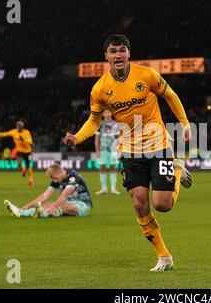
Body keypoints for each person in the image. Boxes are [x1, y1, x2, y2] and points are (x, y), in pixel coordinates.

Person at [63, 34, 192, 271]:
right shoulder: (100, 88)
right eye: (113, 51)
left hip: (158, 146)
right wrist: (78, 137)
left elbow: (170, 96)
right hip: (130, 152)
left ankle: (176, 166)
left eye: (122, 50)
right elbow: (94, 121)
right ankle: (164, 256)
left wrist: (184, 123)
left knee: (163, 205)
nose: (118, 55)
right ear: (106, 57)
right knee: (140, 204)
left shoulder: (147, 75)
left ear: (129, 53)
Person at [4, 163, 93, 218]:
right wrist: (27, 206)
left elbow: (64, 195)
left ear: (60, 172)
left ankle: (43, 213)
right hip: (69, 203)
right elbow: (44, 196)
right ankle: (21, 212)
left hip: (83, 206)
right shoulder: (58, 179)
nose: (55, 180)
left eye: (55, 178)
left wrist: (53, 207)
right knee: (45, 205)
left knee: (59, 207)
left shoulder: (73, 177)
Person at [0, 121, 34, 185]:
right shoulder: (13, 132)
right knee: (19, 163)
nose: (19, 128)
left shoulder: (26, 132)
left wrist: (23, 140)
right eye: (18, 127)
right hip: (19, 151)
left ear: (22, 127)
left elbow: (30, 141)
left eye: (20, 127)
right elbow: (5, 134)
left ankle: (30, 179)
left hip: (27, 151)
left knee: (28, 166)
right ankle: (23, 170)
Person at [95, 109, 121, 195]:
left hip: (113, 149)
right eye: (105, 112)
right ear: (103, 114)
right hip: (103, 149)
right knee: (102, 167)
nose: (107, 114)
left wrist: (120, 150)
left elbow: (119, 138)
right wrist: (97, 150)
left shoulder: (116, 124)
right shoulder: (100, 125)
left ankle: (113, 188)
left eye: (109, 112)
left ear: (111, 113)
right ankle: (104, 189)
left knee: (113, 167)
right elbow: (97, 139)